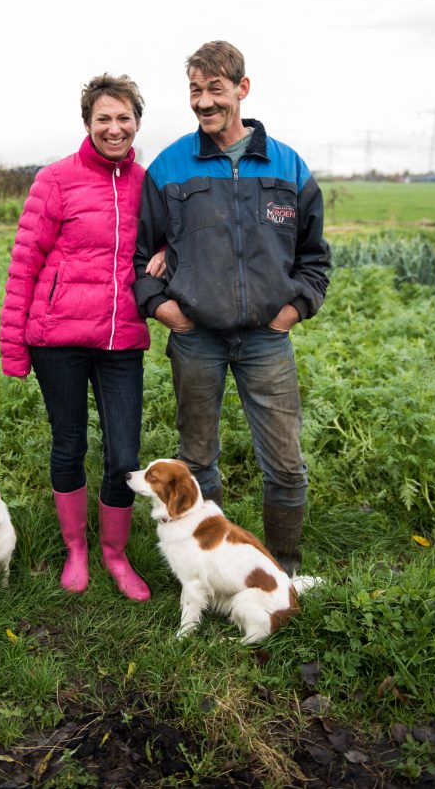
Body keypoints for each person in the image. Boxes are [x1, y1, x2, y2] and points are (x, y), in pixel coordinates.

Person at [133, 40, 330, 577]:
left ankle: (283, 569)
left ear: (242, 89)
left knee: (286, 466)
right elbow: (136, 256)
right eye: (195, 90)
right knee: (197, 462)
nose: (203, 101)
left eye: (215, 89)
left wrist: (291, 312)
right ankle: (208, 568)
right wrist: (164, 309)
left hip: (268, 338)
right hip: (195, 336)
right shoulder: (170, 166)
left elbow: (315, 259)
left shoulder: (288, 166)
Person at [0, 73, 156, 601]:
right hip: (57, 337)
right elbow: (25, 263)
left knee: (123, 455)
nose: (115, 129)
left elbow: (163, 246)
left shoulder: (146, 185)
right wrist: (13, 344)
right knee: (68, 443)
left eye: (124, 118)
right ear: (88, 123)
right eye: (103, 119)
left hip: (120, 338)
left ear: (137, 121)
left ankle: (115, 552)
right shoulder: (54, 180)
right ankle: (77, 549)